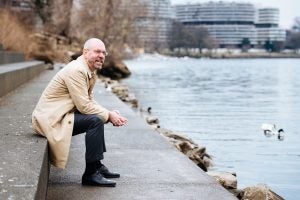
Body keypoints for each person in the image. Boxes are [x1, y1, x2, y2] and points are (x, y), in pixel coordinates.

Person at [32, 38, 127, 187]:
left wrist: (107, 113)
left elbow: (89, 102)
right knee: (95, 120)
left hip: (60, 115)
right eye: (97, 51)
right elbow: (84, 106)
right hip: (50, 120)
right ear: (85, 52)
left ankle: (97, 166)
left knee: (97, 117)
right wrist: (109, 116)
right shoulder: (77, 70)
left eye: (103, 52)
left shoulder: (88, 71)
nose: (101, 55)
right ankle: (90, 174)